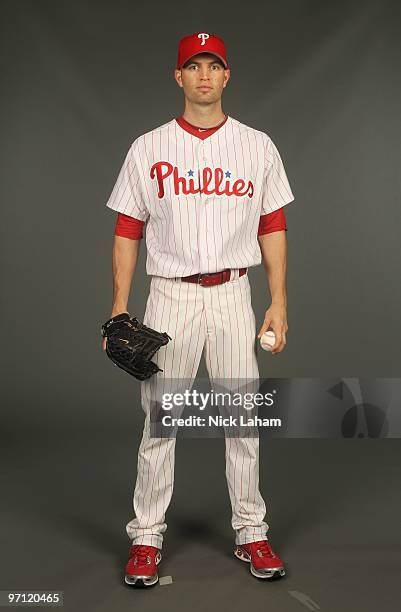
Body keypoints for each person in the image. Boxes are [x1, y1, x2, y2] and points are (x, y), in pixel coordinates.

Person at [103, 32, 295, 587]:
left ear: (227, 76)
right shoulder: (148, 147)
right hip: (170, 296)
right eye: (194, 65)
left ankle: (251, 531)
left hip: (235, 294)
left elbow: (273, 226)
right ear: (178, 77)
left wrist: (278, 300)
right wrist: (119, 310)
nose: (205, 74)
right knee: (162, 421)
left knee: (242, 419)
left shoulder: (258, 146)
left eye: (214, 65)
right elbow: (126, 230)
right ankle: (145, 536)